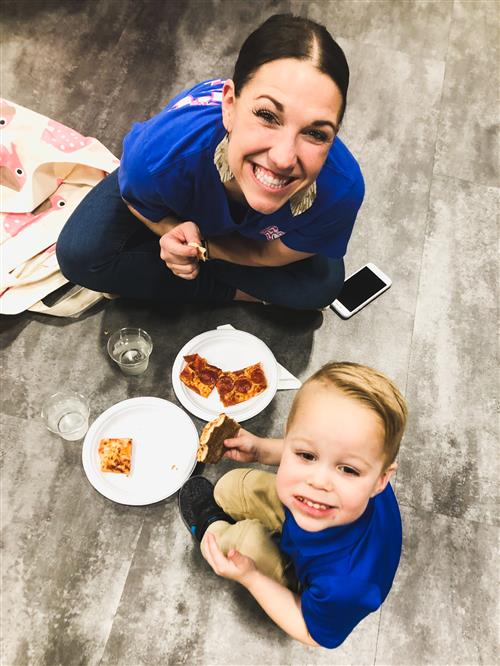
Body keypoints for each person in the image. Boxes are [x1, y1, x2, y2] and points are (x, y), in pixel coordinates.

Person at [56, 14, 364, 310]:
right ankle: (235, 291)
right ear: (229, 105)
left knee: (323, 287)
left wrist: (200, 248)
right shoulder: (163, 150)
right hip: (174, 175)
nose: (283, 159)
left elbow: (271, 254)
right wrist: (169, 228)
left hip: (217, 233)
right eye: (267, 116)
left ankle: (193, 283)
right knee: (79, 254)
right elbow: (135, 196)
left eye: (315, 133)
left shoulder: (342, 188)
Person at [178, 362, 408, 648]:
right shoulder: (351, 482)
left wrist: (250, 578)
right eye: (307, 455)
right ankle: (233, 511)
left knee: (243, 543)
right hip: (315, 527)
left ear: (380, 480)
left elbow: (312, 634)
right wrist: (261, 449)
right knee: (229, 485)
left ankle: (209, 527)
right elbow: (315, 448)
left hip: (316, 574)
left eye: (348, 470)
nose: (319, 482)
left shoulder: (346, 586)